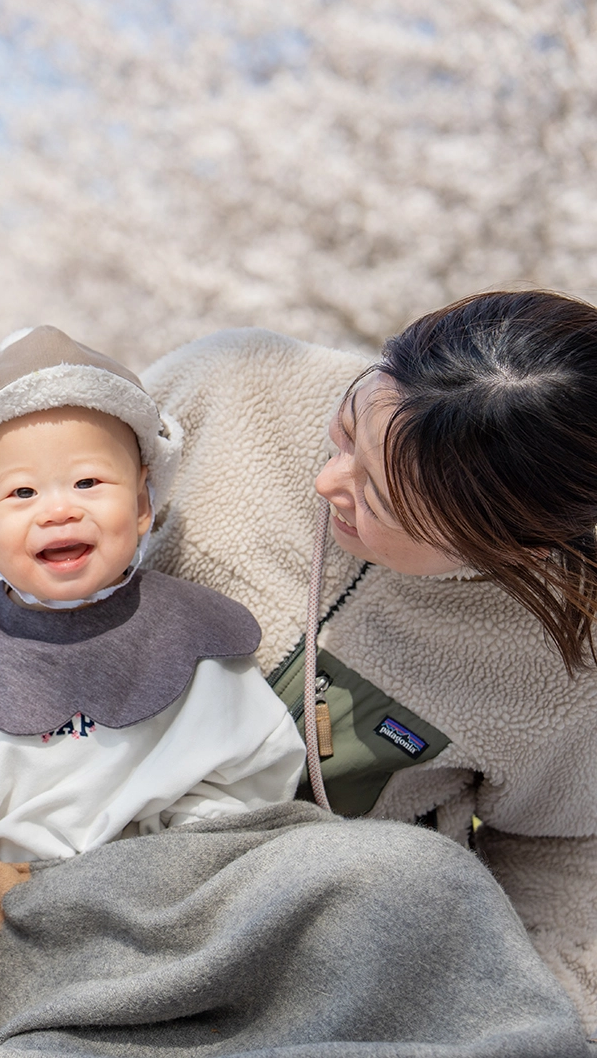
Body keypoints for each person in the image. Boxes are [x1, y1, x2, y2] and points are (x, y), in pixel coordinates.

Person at [141, 290, 597, 1031]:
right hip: (56, 849)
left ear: (516, 546)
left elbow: (564, 858)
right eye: (349, 425)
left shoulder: (569, 670)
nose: (329, 481)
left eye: (379, 500)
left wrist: (513, 1019)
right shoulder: (229, 385)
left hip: (308, 959)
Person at [0, 326, 306, 911]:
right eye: (22, 493)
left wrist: (201, 844)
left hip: (161, 884)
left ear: (142, 502)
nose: (59, 510)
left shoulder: (194, 637)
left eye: (88, 482)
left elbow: (247, 767)